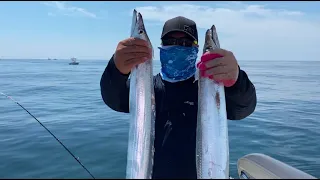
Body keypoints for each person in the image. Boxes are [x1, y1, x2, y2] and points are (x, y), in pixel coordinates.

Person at [100, 16, 257, 179]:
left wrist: (237, 79)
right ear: (161, 47)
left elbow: (243, 108)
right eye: (170, 42)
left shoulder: (209, 90)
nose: (177, 47)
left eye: (185, 43)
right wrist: (116, 68)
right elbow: (114, 99)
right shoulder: (148, 89)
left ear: (196, 49)